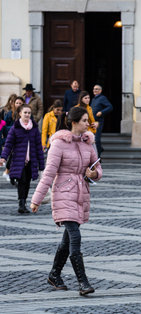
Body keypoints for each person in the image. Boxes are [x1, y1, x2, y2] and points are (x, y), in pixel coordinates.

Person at [30, 107, 102, 296]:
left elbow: (98, 168)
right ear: (74, 122)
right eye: (85, 120)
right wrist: (37, 199)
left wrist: (93, 173)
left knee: (67, 239)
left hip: (81, 194)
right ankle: (83, 282)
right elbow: (49, 173)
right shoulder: (59, 144)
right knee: (75, 236)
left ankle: (54, 274)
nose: (88, 123)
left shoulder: (88, 143)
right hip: (64, 193)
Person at [0, 104, 45, 213]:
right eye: (25, 112)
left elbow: (38, 146)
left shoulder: (34, 128)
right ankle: (21, 203)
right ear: (20, 113)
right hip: (19, 160)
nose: (27, 115)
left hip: (31, 160)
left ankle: (24, 202)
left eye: (29, 113)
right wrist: (3, 157)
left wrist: (42, 164)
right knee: (22, 181)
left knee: (28, 182)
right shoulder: (15, 128)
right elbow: (9, 144)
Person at [2, 96, 25, 182]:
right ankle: (8, 171)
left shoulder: (25, 112)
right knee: (13, 154)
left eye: (20, 103)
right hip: (12, 137)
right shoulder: (10, 113)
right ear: (13, 104)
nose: (18, 105)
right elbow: (4, 125)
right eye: (17, 103)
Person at [91, 85, 113, 157]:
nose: (95, 90)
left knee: (97, 139)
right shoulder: (93, 99)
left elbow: (110, 107)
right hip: (92, 122)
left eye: (97, 89)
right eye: (94, 89)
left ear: (100, 91)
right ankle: (99, 149)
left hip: (98, 122)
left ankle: (98, 157)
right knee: (93, 139)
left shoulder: (102, 98)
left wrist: (102, 112)